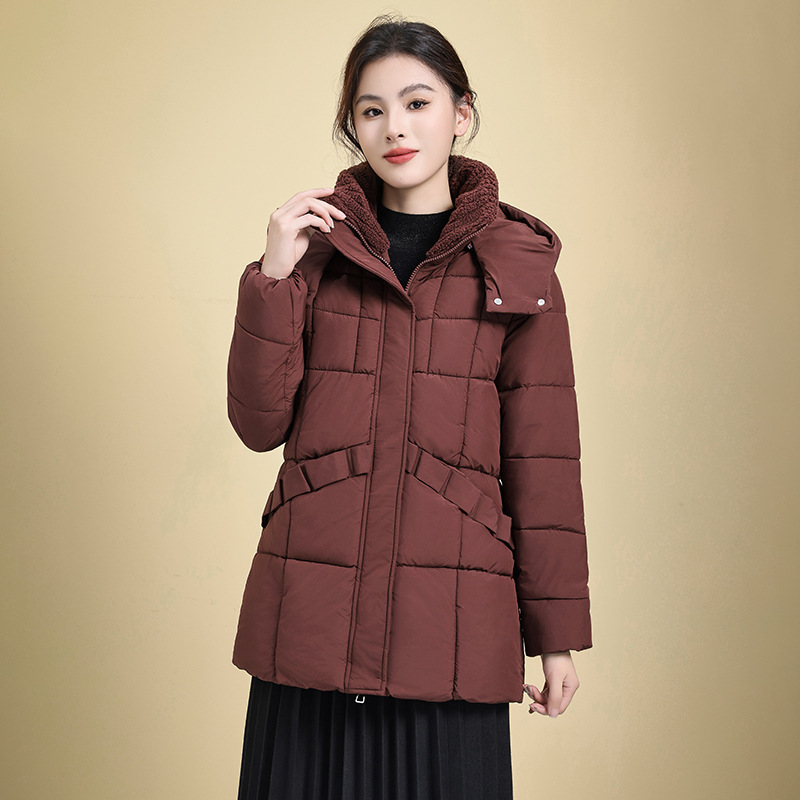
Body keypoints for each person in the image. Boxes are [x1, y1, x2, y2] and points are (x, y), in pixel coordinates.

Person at [227, 13, 592, 800]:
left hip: (451, 631)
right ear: (352, 127)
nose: (395, 126)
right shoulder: (314, 255)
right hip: (311, 625)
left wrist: (556, 637)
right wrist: (272, 278)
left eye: (418, 103)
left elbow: (545, 466)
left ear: (461, 114)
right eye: (371, 109)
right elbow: (258, 425)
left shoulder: (518, 266)